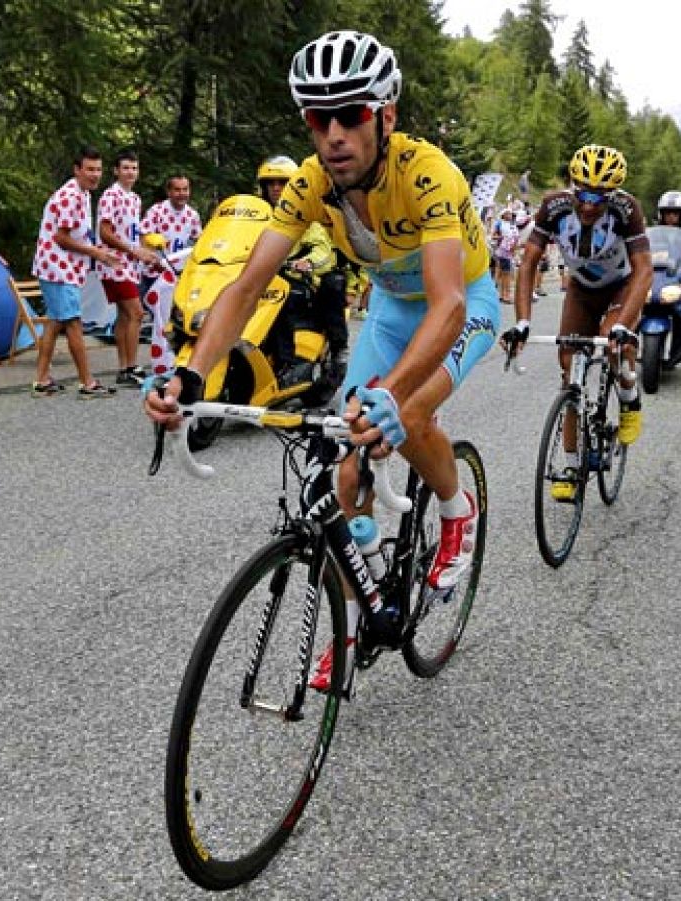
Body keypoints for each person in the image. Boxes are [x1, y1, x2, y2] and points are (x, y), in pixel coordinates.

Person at [146, 31, 496, 687]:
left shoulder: (427, 173)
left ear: (386, 115)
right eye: (317, 117)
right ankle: (358, 613)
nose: (334, 134)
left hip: (460, 303)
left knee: (407, 414)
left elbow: (449, 303)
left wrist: (391, 393)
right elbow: (245, 287)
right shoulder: (310, 182)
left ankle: (456, 510)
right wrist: (191, 375)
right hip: (392, 308)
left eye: (351, 115)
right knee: (344, 467)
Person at [503, 144, 652, 499]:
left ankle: (629, 396)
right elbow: (528, 263)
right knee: (570, 370)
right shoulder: (553, 206)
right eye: (582, 194)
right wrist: (522, 322)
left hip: (621, 287)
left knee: (613, 342)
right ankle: (571, 464)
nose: (588, 205)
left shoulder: (627, 209)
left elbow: (644, 270)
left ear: (611, 195)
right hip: (581, 289)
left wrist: (624, 325)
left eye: (598, 198)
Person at [30, 146, 121, 398]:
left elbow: (77, 234)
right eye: (89, 169)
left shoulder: (83, 193)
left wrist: (96, 252)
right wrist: (96, 253)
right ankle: (87, 383)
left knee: (54, 321)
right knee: (72, 322)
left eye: (98, 170)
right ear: (77, 170)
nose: (95, 175)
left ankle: (41, 380)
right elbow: (61, 238)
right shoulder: (70, 196)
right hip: (58, 268)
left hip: (59, 267)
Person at [256, 154, 348, 384]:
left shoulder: (305, 213)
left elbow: (323, 249)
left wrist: (308, 263)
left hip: (296, 278)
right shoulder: (256, 216)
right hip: (261, 277)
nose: (275, 188)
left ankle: (289, 364)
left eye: (282, 183)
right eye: (270, 183)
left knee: (280, 298)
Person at [97, 149, 159, 386]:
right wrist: (133, 251)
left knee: (124, 316)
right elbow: (105, 232)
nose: (130, 172)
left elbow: (133, 234)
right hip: (113, 263)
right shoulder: (110, 196)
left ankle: (124, 368)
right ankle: (132, 367)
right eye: (125, 168)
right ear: (116, 171)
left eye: (134, 168)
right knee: (136, 313)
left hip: (130, 264)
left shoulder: (134, 198)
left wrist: (146, 252)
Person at [140, 175, 202, 259]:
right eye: (177, 190)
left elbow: (198, 241)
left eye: (185, 189)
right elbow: (142, 237)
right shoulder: (156, 211)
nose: (182, 193)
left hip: (181, 265)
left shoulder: (193, 215)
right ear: (168, 192)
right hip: (157, 264)